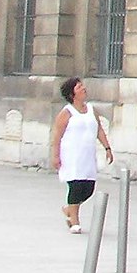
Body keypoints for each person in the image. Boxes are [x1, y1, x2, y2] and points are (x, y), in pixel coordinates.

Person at [49, 76, 113, 233]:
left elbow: (98, 129)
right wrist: (55, 155)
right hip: (72, 155)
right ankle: (74, 221)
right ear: (72, 94)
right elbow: (57, 135)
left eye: (82, 86)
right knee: (75, 186)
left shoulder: (91, 110)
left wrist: (107, 148)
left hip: (87, 155)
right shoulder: (67, 112)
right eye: (79, 87)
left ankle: (70, 208)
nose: (83, 88)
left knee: (88, 188)